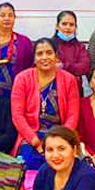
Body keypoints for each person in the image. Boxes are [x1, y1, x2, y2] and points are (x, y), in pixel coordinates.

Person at [11, 38, 81, 170]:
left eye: (49, 53)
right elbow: (17, 116)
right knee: (28, 165)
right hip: (31, 137)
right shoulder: (22, 79)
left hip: (61, 136)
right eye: (40, 54)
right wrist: (36, 142)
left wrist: (60, 140)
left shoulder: (69, 80)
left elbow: (73, 116)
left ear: (56, 56)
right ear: (34, 58)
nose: (44, 57)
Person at [54, 10, 91, 80]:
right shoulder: (49, 46)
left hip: (75, 85)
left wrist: (63, 66)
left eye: (71, 24)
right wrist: (74, 68)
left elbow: (84, 68)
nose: (68, 27)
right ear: (57, 26)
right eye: (64, 24)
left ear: (75, 27)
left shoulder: (80, 47)